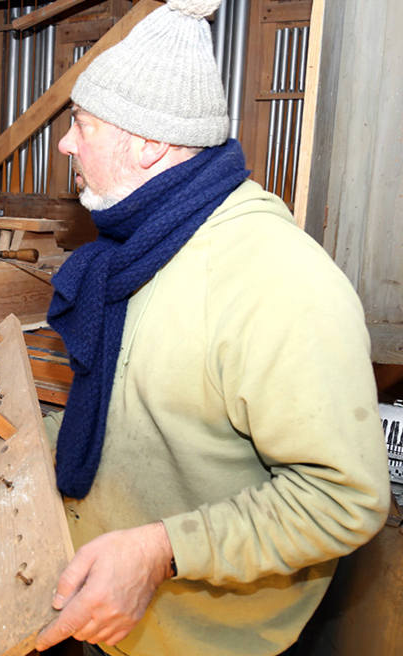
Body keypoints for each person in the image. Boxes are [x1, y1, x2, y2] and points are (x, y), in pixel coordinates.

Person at [32, 1, 391, 655]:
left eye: (81, 123)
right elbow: (140, 417)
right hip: (116, 621)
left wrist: (162, 551)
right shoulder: (143, 245)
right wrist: (28, 441)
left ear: (146, 143)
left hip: (203, 640)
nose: (65, 142)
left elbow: (344, 499)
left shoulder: (277, 283)